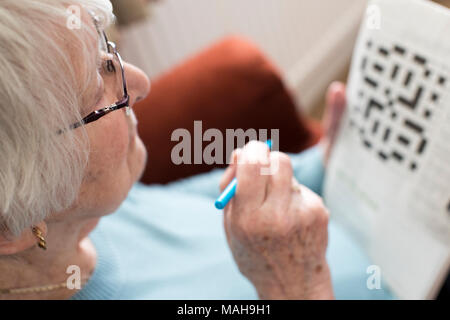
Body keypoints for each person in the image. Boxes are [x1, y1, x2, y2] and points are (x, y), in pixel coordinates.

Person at [0, 0, 394, 300]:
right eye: (96, 91)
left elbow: (189, 213)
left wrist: (323, 162)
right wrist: (298, 285)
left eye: (106, 51)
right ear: (12, 226)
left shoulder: (88, 214)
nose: (139, 82)